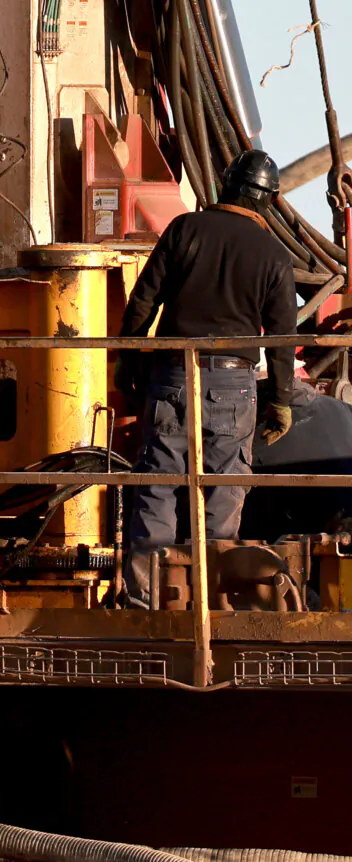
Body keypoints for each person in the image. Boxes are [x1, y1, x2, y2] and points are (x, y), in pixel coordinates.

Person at [115, 149, 297, 607]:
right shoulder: (274, 255)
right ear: (268, 201)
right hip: (234, 387)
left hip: (173, 373)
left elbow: (142, 303)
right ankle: (212, 603)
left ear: (226, 184)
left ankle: (148, 601)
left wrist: (129, 363)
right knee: (223, 491)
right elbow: (281, 340)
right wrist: (281, 401)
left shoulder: (184, 230)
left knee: (157, 484)